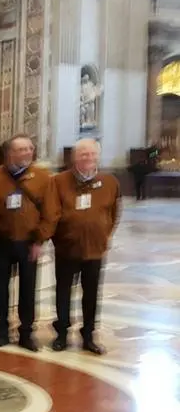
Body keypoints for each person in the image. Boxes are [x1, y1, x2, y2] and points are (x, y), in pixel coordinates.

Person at [48, 139, 120, 355]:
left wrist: (103, 235)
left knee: (91, 294)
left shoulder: (109, 182)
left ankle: (88, 335)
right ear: (74, 158)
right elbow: (52, 213)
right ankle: (61, 334)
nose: (88, 158)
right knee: (63, 292)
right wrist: (57, 238)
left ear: (98, 156)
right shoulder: (58, 181)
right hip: (67, 249)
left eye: (92, 154)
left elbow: (114, 213)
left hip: (94, 250)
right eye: (83, 155)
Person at [0, 134, 56, 351]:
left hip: (29, 242)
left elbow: (51, 212)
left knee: (28, 288)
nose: (27, 153)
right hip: (1, 241)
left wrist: (40, 239)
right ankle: (2, 328)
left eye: (29, 148)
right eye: (22, 149)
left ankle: (26, 332)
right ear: (10, 153)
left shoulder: (43, 177)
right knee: (0, 287)